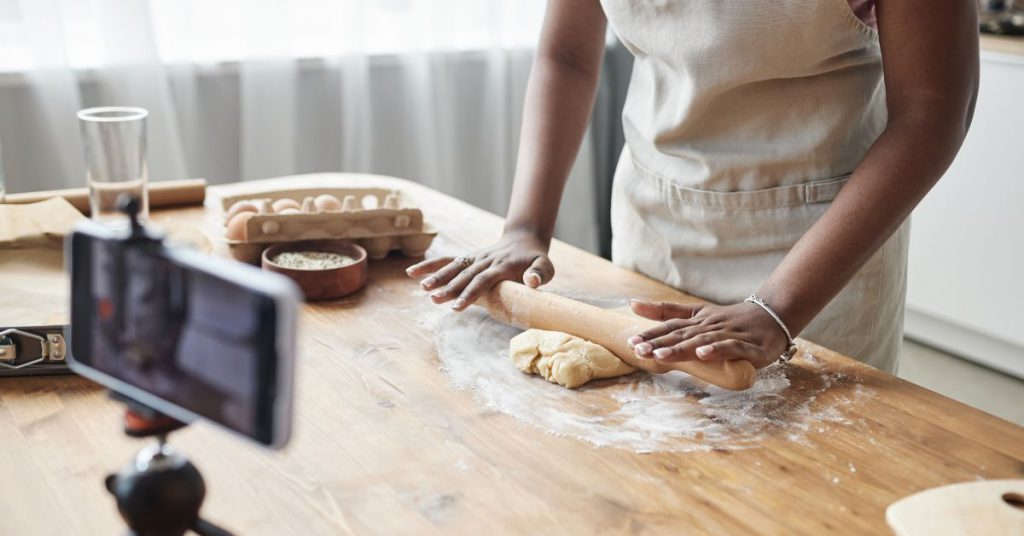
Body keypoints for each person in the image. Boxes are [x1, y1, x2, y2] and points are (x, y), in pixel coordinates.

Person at [406, 0, 979, 373]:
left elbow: (932, 111)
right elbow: (568, 55)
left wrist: (777, 308)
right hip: (653, 228)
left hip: (820, 255)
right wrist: (525, 227)